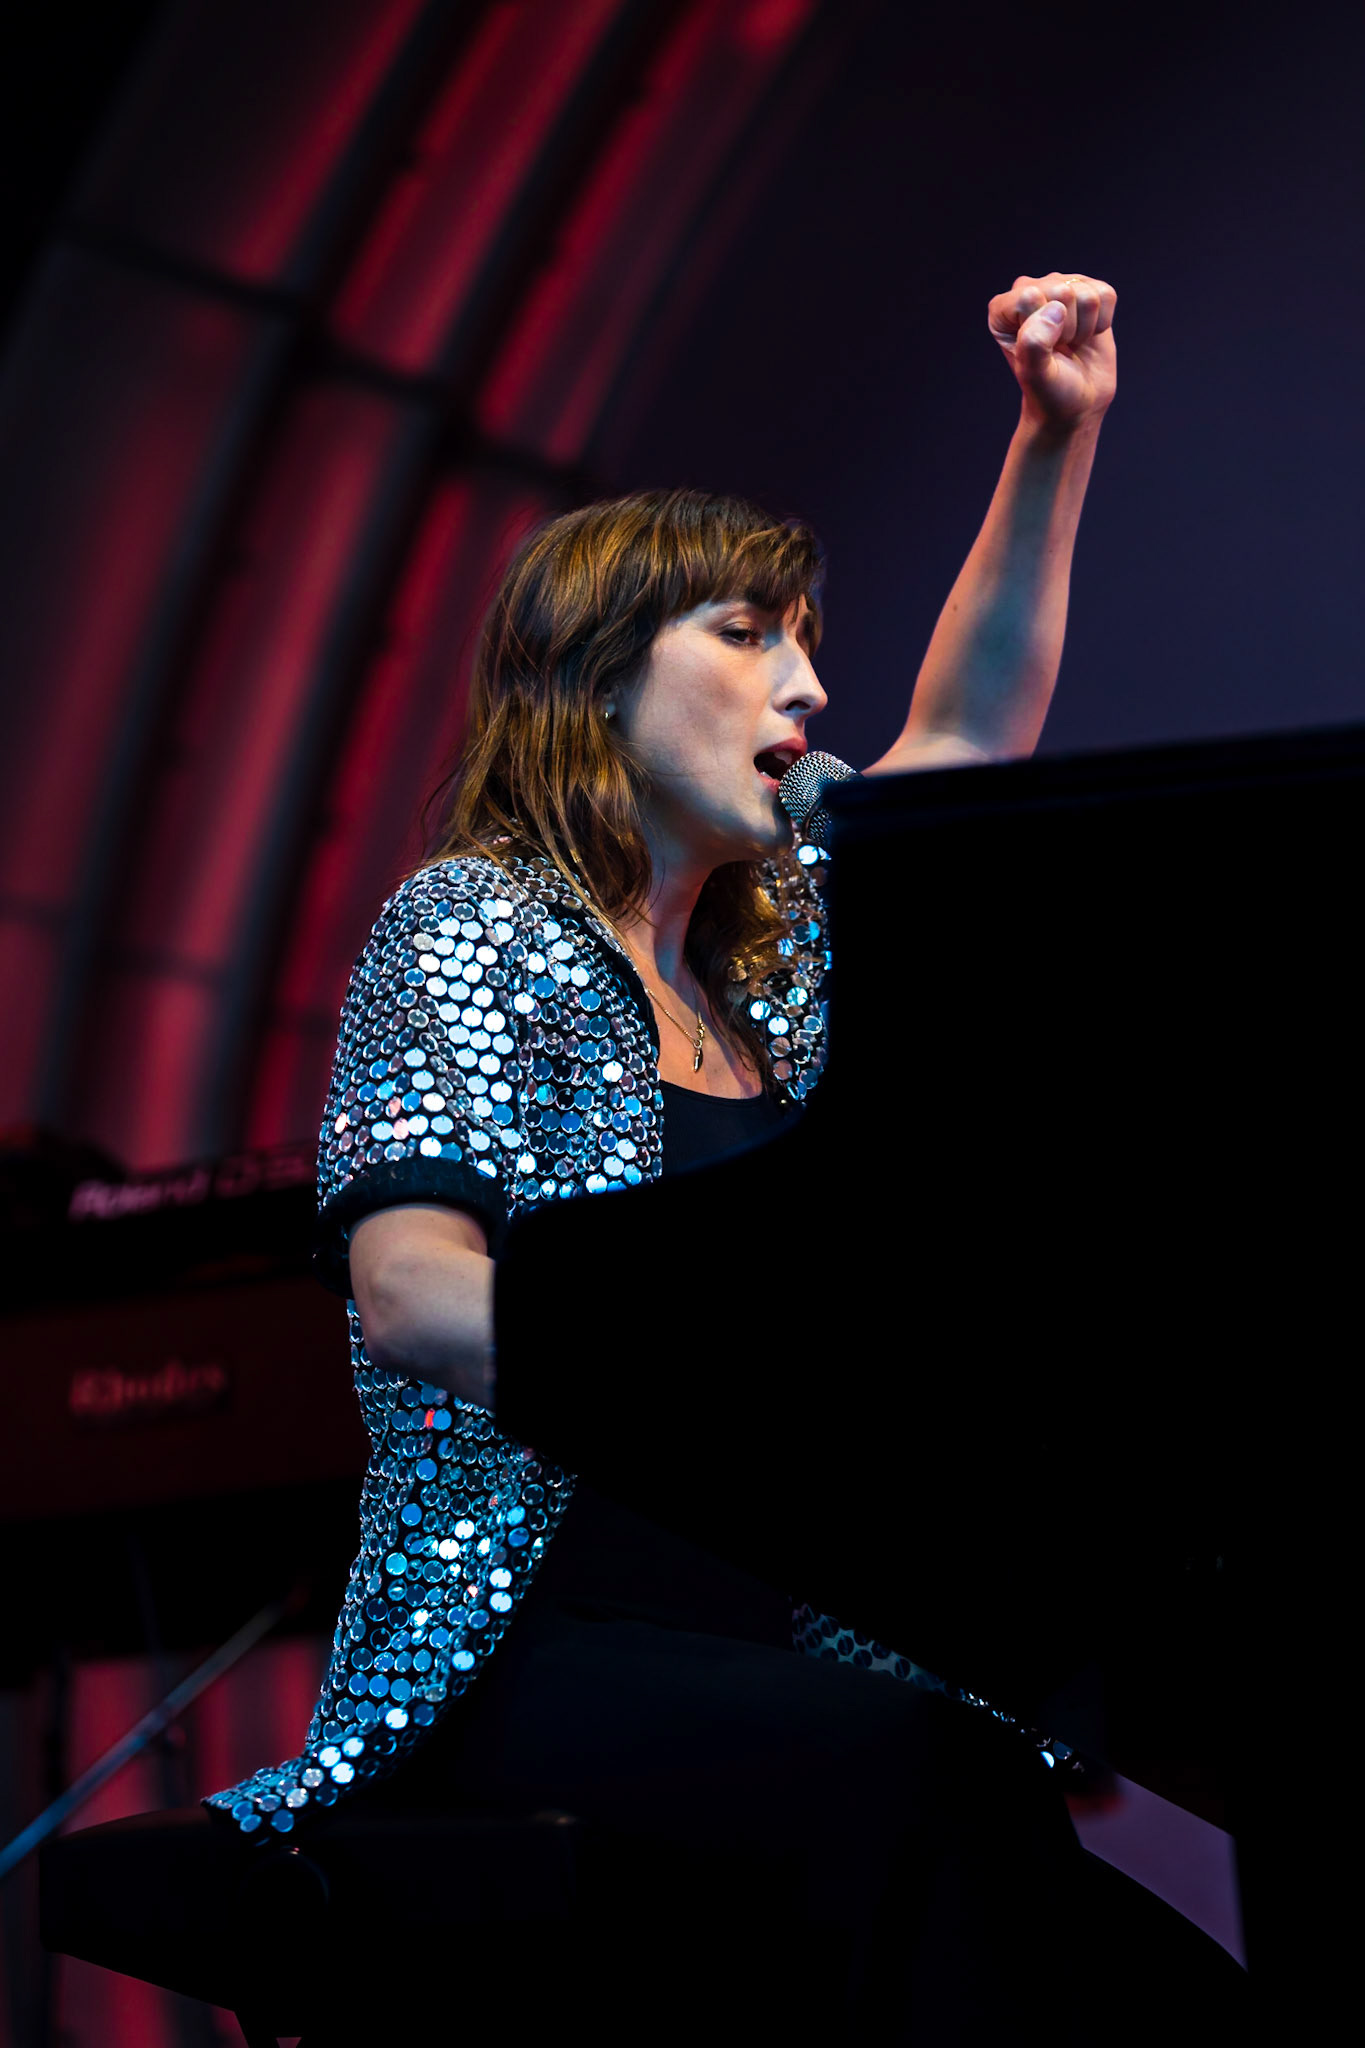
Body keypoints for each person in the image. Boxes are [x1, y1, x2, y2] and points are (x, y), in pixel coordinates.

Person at [206, 273, 1248, 2037]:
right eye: (750, 636)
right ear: (597, 677)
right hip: (529, 1645)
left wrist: (1051, 436)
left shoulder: (769, 961)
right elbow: (409, 1290)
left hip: (796, 1649)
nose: (809, 683)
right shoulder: (476, 922)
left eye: (808, 638)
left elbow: (962, 755)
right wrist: (721, 1397)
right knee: (920, 1774)